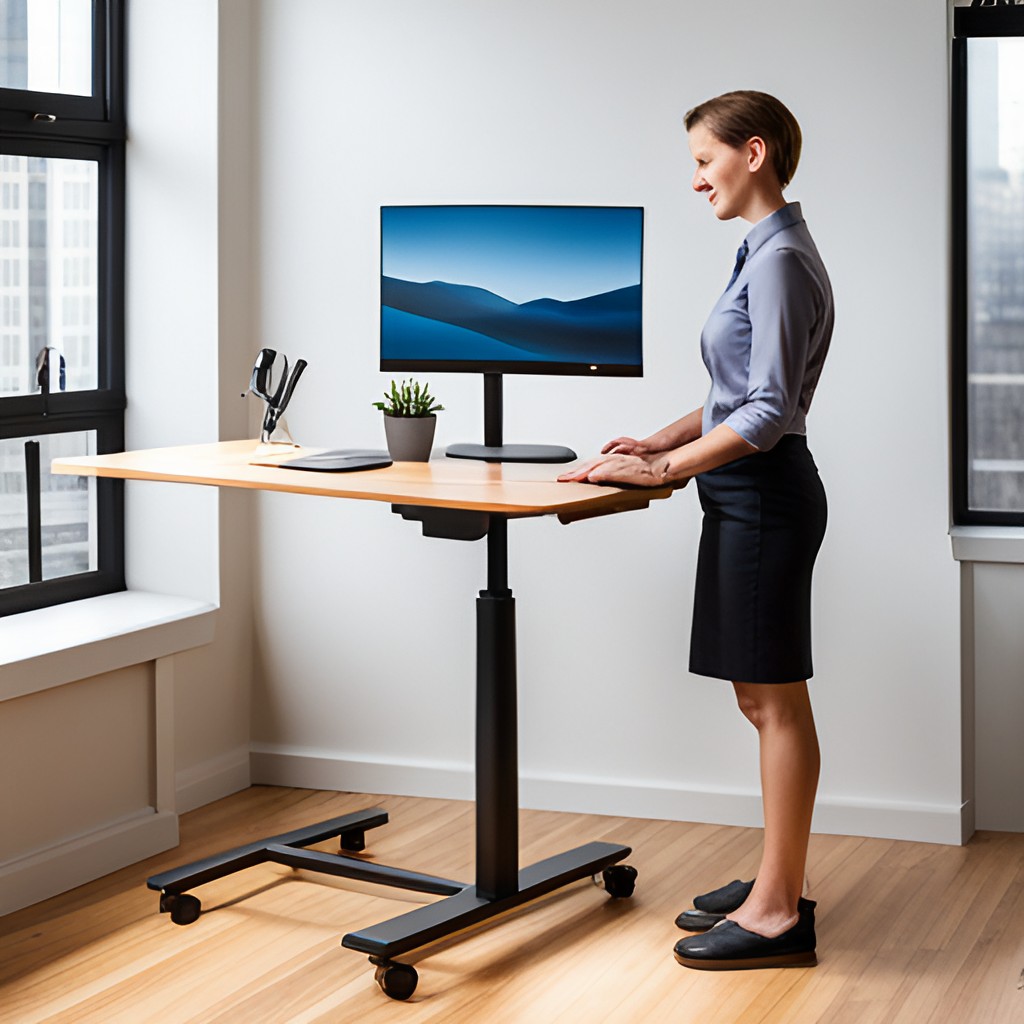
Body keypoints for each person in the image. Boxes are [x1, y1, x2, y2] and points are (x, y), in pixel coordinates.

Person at [558, 90, 833, 971]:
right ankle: (772, 879)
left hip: (765, 496)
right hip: (740, 493)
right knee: (758, 698)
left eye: (704, 161)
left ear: (754, 154)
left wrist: (663, 472)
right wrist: (659, 438)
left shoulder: (782, 258)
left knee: (776, 700)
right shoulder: (760, 252)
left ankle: (779, 910)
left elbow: (768, 411)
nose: (695, 179)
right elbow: (733, 390)